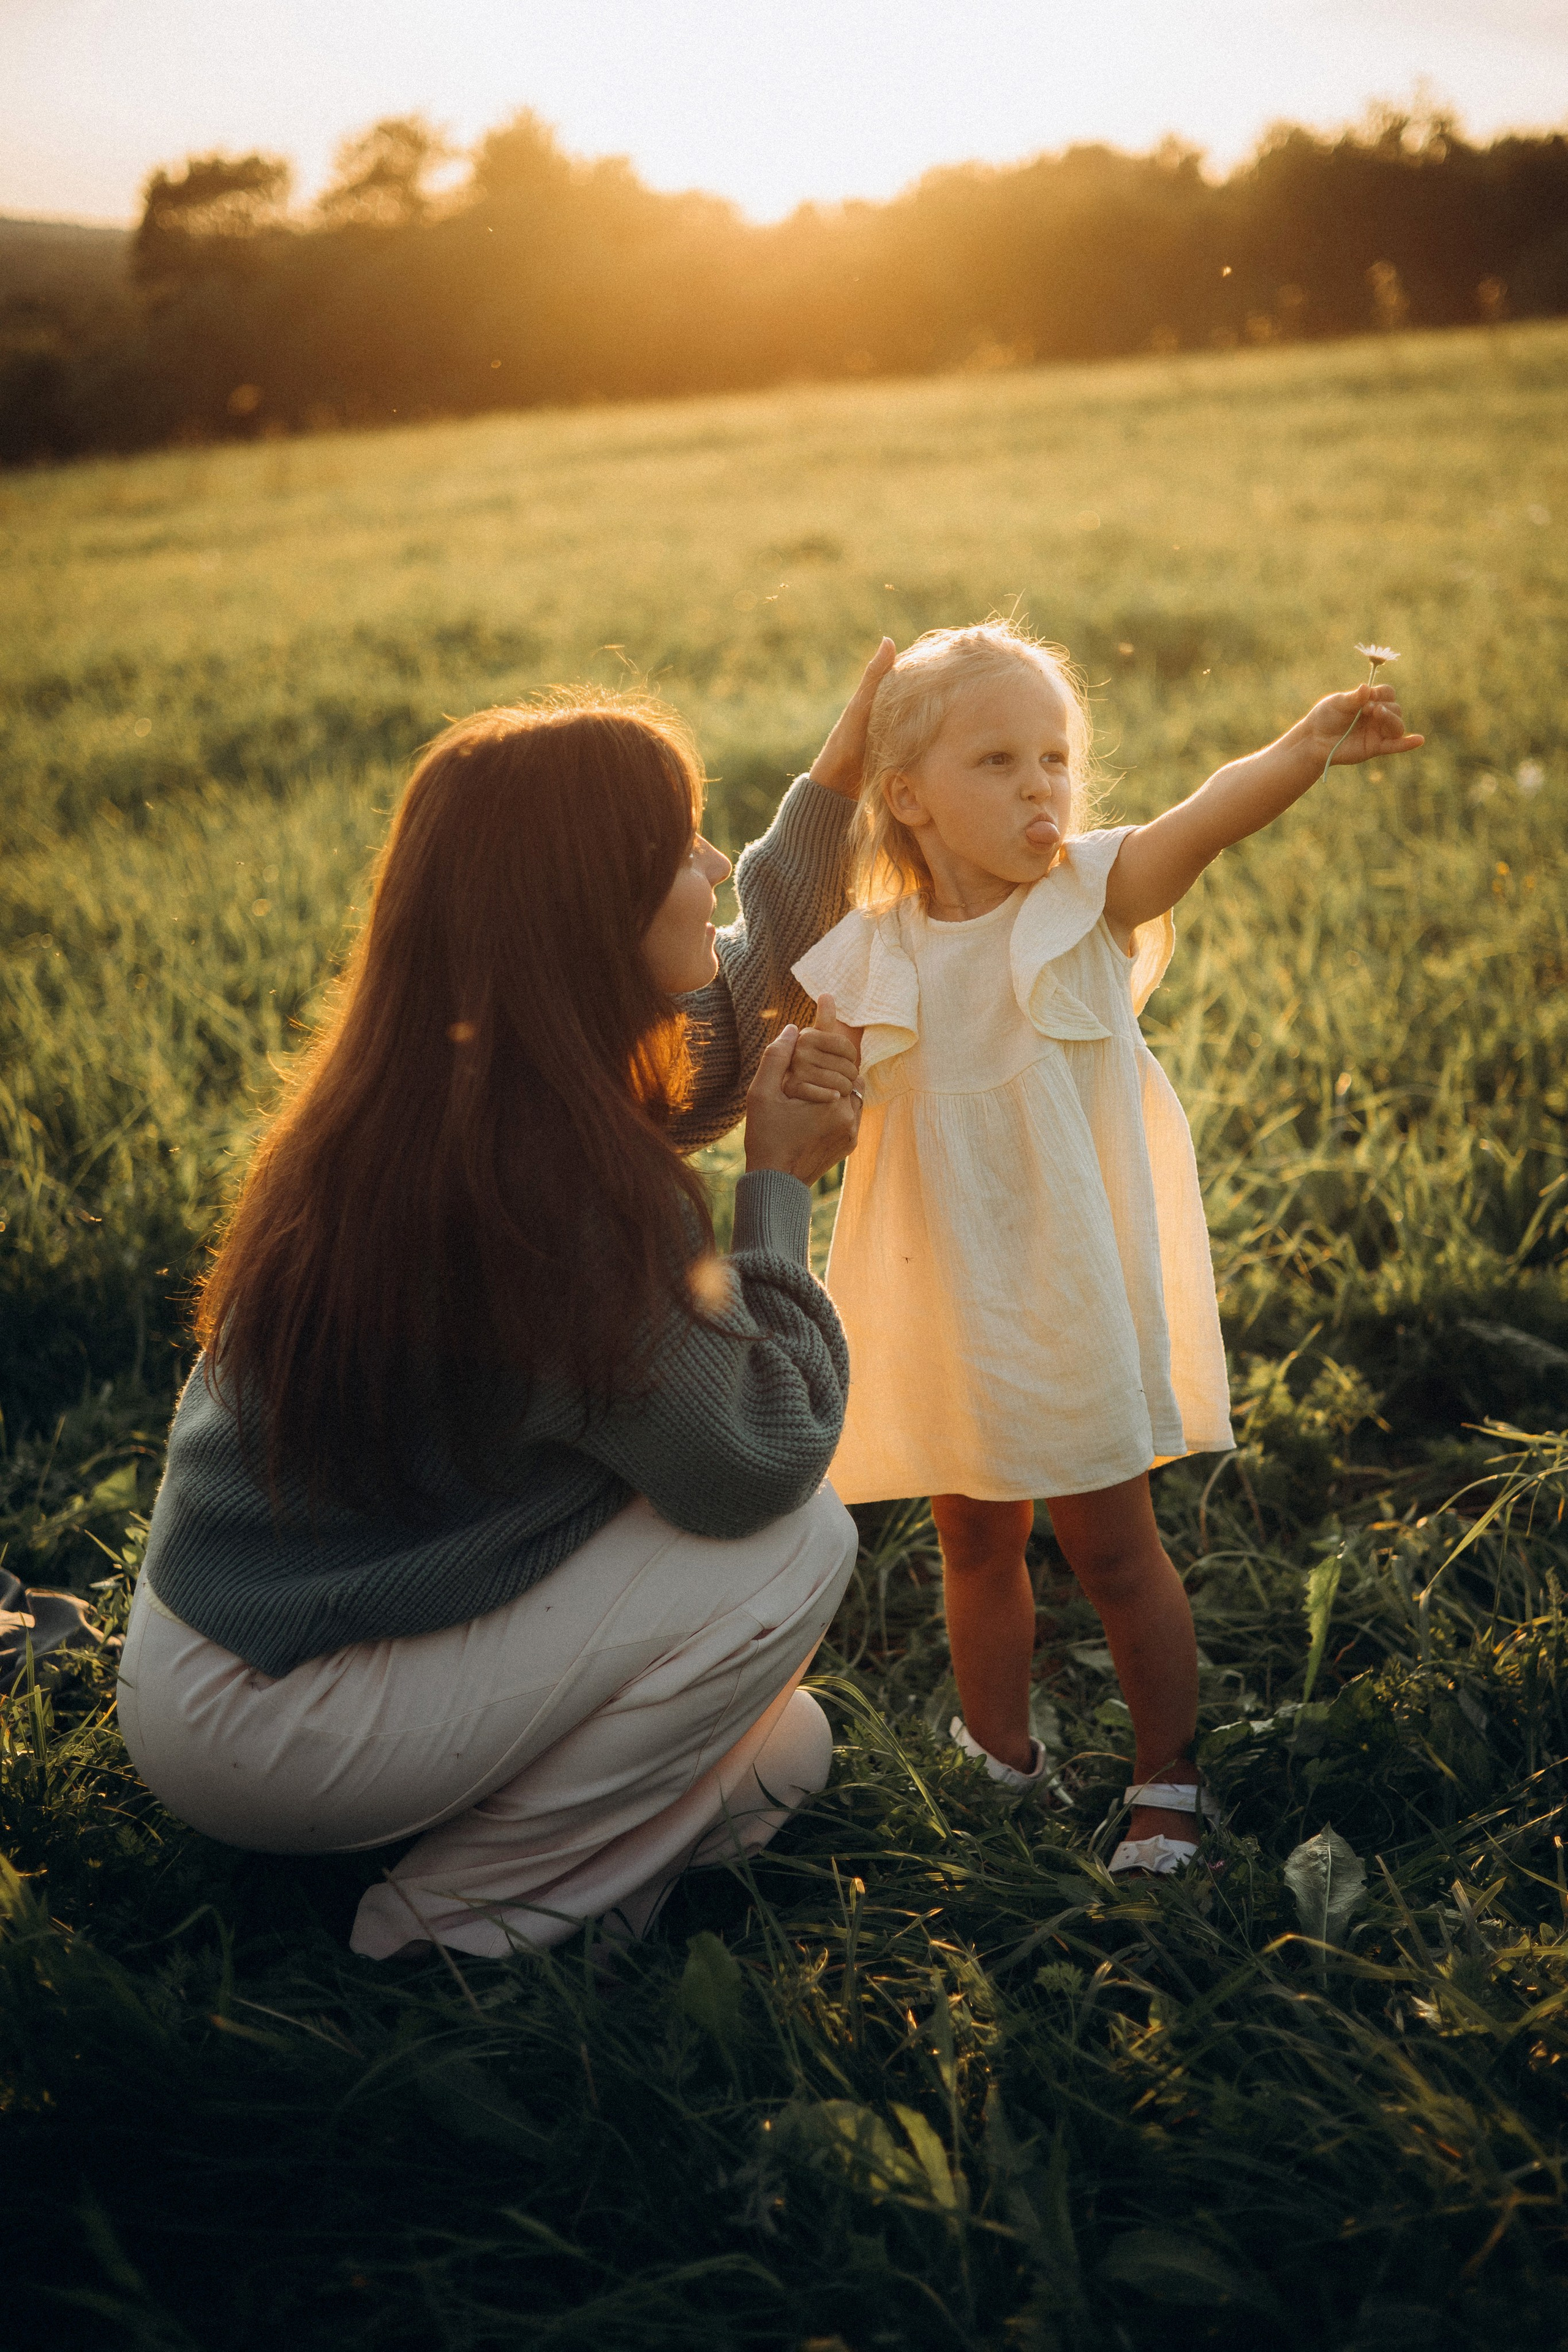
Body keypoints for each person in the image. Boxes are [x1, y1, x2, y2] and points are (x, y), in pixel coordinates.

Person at [116, 648, 890, 1959]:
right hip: (280, 1710)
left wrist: (835, 785)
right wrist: (779, 1187)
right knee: (797, 1544)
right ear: (584, 909)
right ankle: (456, 1935)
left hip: (219, 1658)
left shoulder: (445, 1086)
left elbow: (725, 1015)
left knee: (781, 1755)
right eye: (680, 846)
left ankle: (478, 1855)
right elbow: (759, 1457)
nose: (713, 869)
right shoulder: (551, 1196)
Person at [786, 622, 1422, 1875]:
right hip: (945, 1295)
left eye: (1055, 758)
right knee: (972, 1538)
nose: (1040, 786)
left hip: (1067, 1289)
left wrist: (1300, 748)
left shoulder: (1083, 900)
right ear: (906, 798)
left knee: (1111, 1547)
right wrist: (810, 1087)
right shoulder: (869, 954)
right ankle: (999, 1753)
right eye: (997, 761)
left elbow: (1203, 820)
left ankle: (1167, 1779)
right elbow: (818, 1105)